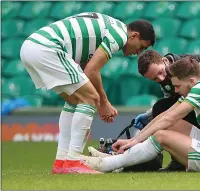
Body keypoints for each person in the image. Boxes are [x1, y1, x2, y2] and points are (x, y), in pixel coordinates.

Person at [20, 12, 155, 174]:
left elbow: (85, 69)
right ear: (134, 35)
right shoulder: (119, 34)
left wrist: (97, 102)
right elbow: (92, 70)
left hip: (31, 47)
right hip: (48, 48)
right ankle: (73, 161)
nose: (139, 53)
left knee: (75, 101)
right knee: (90, 98)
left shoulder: (110, 26)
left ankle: (62, 161)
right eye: (142, 47)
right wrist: (103, 103)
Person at [83, 56, 200, 173]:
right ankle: (115, 159)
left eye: (177, 85)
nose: (175, 90)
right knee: (167, 122)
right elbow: (166, 115)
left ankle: (106, 165)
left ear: (190, 81)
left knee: (161, 136)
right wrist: (133, 140)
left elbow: (170, 117)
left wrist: (136, 141)